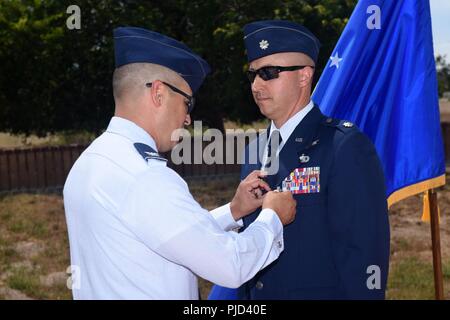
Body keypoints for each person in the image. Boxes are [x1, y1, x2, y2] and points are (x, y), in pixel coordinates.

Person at [63, 26, 296, 300]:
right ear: (159, 94)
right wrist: (273, 218)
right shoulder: (145, 177)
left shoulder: (92, 160)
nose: (187, 118)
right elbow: (231, 265)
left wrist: (233, 211)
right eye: (187, 103)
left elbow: (169, 234)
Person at [211, 20, 390, 300]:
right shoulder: (254, 150)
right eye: (253, 75)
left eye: (269, 73)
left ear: (304, 76)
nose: (257, 85)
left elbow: (364, 251)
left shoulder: (343, 145)